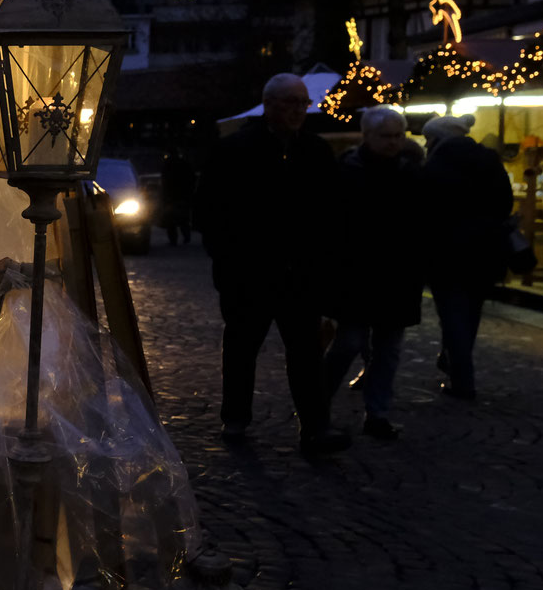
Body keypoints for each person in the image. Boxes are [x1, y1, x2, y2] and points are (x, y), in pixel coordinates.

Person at [195, 73, 352, 456]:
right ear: (270, 104)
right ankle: (236, 416)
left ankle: (315, 425)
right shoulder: (234, 151)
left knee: (306, 353)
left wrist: (323, 265)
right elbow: (209, 211)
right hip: (248, 275)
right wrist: (230, 261)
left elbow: (333, 214)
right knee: (242, 348)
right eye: (290, 102)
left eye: (302, 103)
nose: (298, 110)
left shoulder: (315, 152)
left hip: (300, 275)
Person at [322, 106, 425, 440]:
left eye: (398, 136)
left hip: (397, 277)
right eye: (387, 136)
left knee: (387, 349)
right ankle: (317, 402)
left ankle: (377, 413)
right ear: (368, 136)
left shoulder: (410, 173)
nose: (394, 142)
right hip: (357, 276)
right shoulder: (346, 173)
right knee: (349, 343)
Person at [421, 113, 512, 401]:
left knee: (452, 314)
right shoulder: (488, 159)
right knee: (471, 313)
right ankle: (454, 362)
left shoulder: (437, 163)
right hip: (485, 251)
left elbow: (426, 207)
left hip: (446, 252)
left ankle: (462, 379)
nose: (425, 144)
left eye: (428, 138)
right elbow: (505, 203)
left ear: (437, 137)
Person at [158, 147, 197, 245]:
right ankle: (185, 237)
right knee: (183, 219)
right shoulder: (184, 164)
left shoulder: (167, 165)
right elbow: (192, 178)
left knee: (171, 220)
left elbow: (164, 182)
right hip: (182, 196)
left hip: (171, 197)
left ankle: (174, 240)